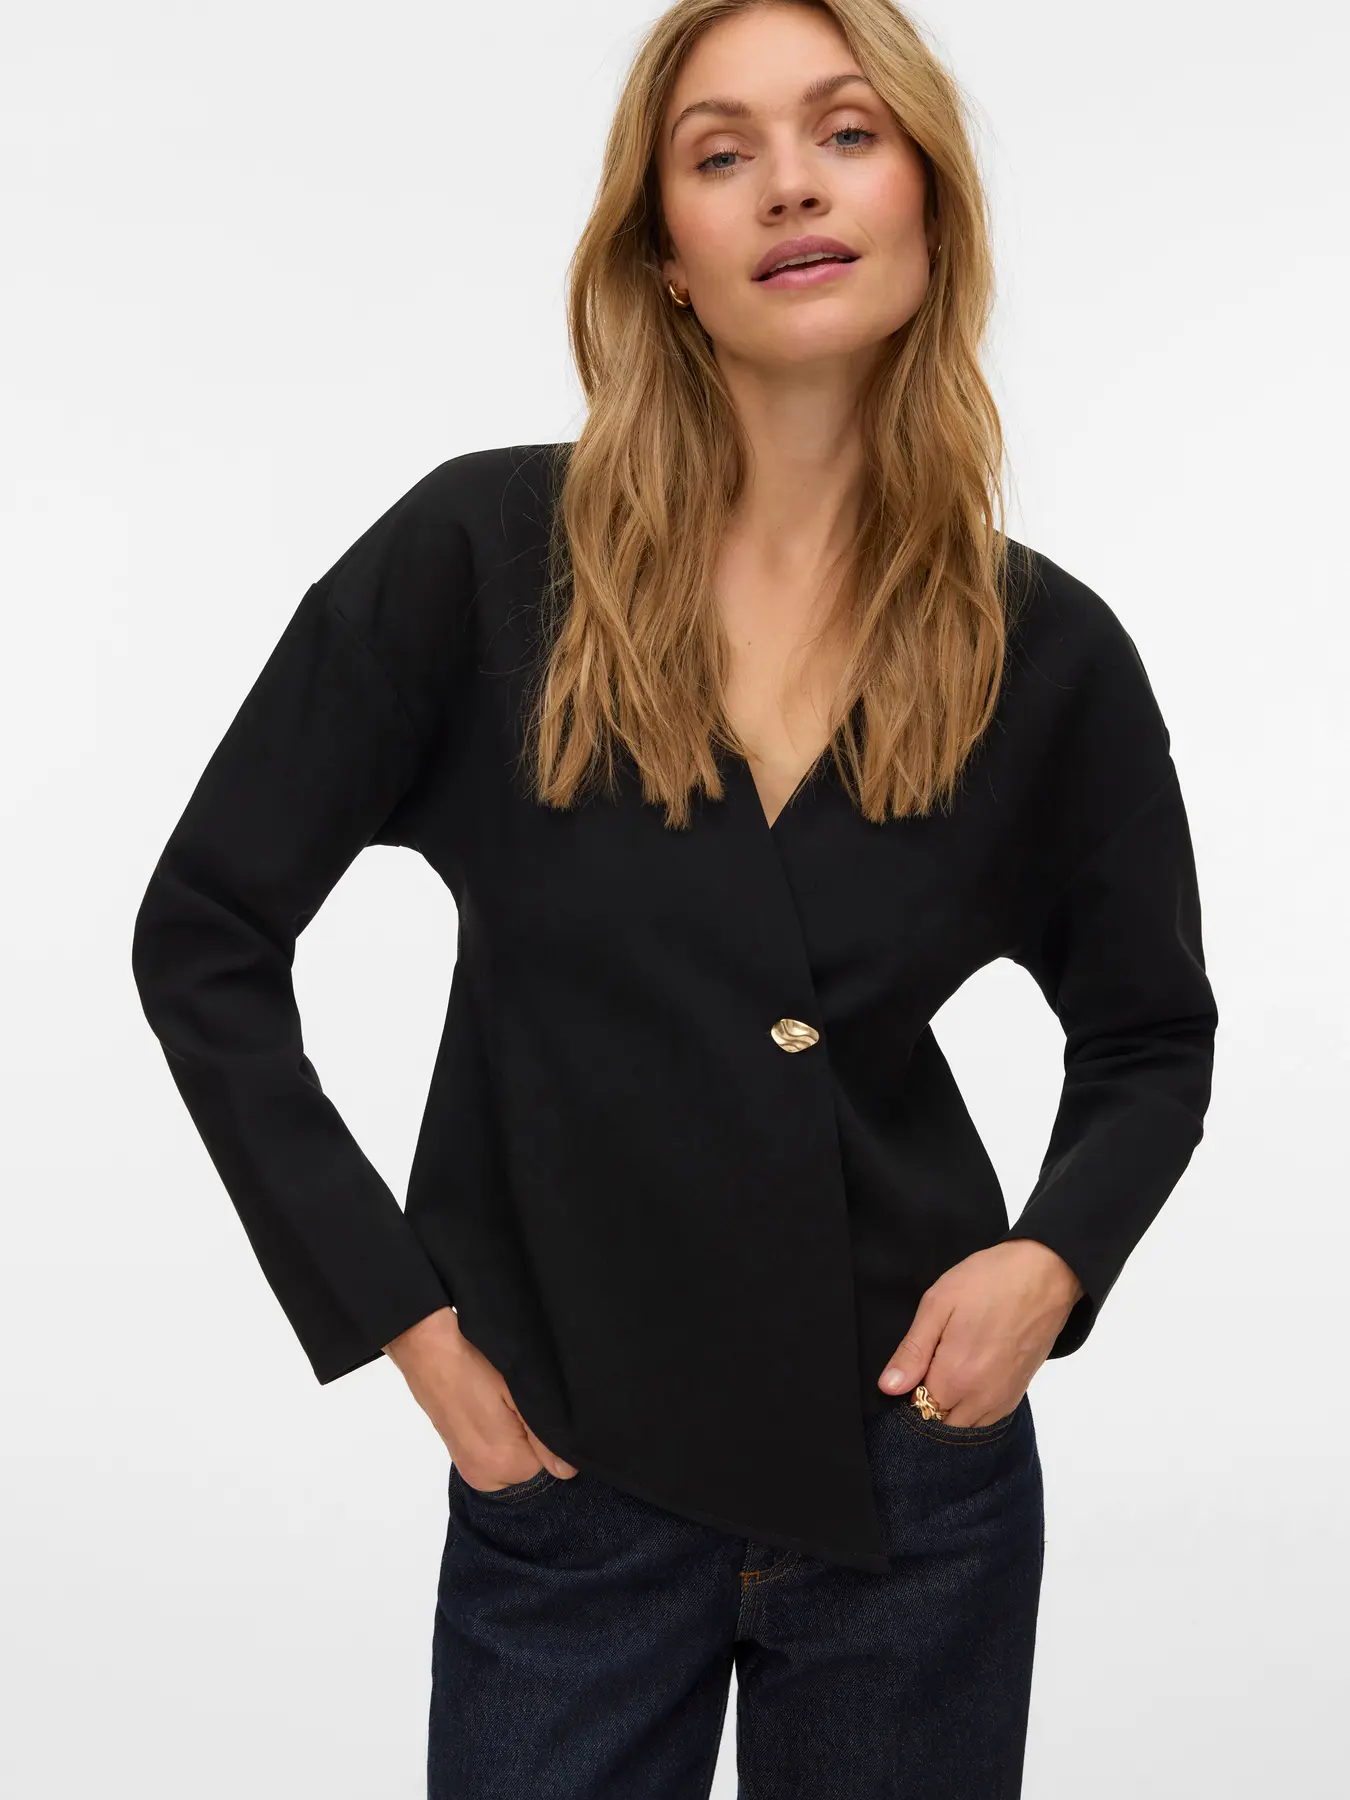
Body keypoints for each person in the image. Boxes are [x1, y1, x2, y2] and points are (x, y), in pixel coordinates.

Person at [130, 1, 1219, 1794]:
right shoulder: (479, 560)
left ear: (930, 203)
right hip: (565, 1474)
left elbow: (1149, 1037)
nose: (790, 184)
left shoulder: (1042, 649)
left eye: (846, 133)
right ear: (664, 258)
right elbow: (204, 934)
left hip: (914, 1482)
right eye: (721, 154)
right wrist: (404, 1322)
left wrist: (1051, 1261)